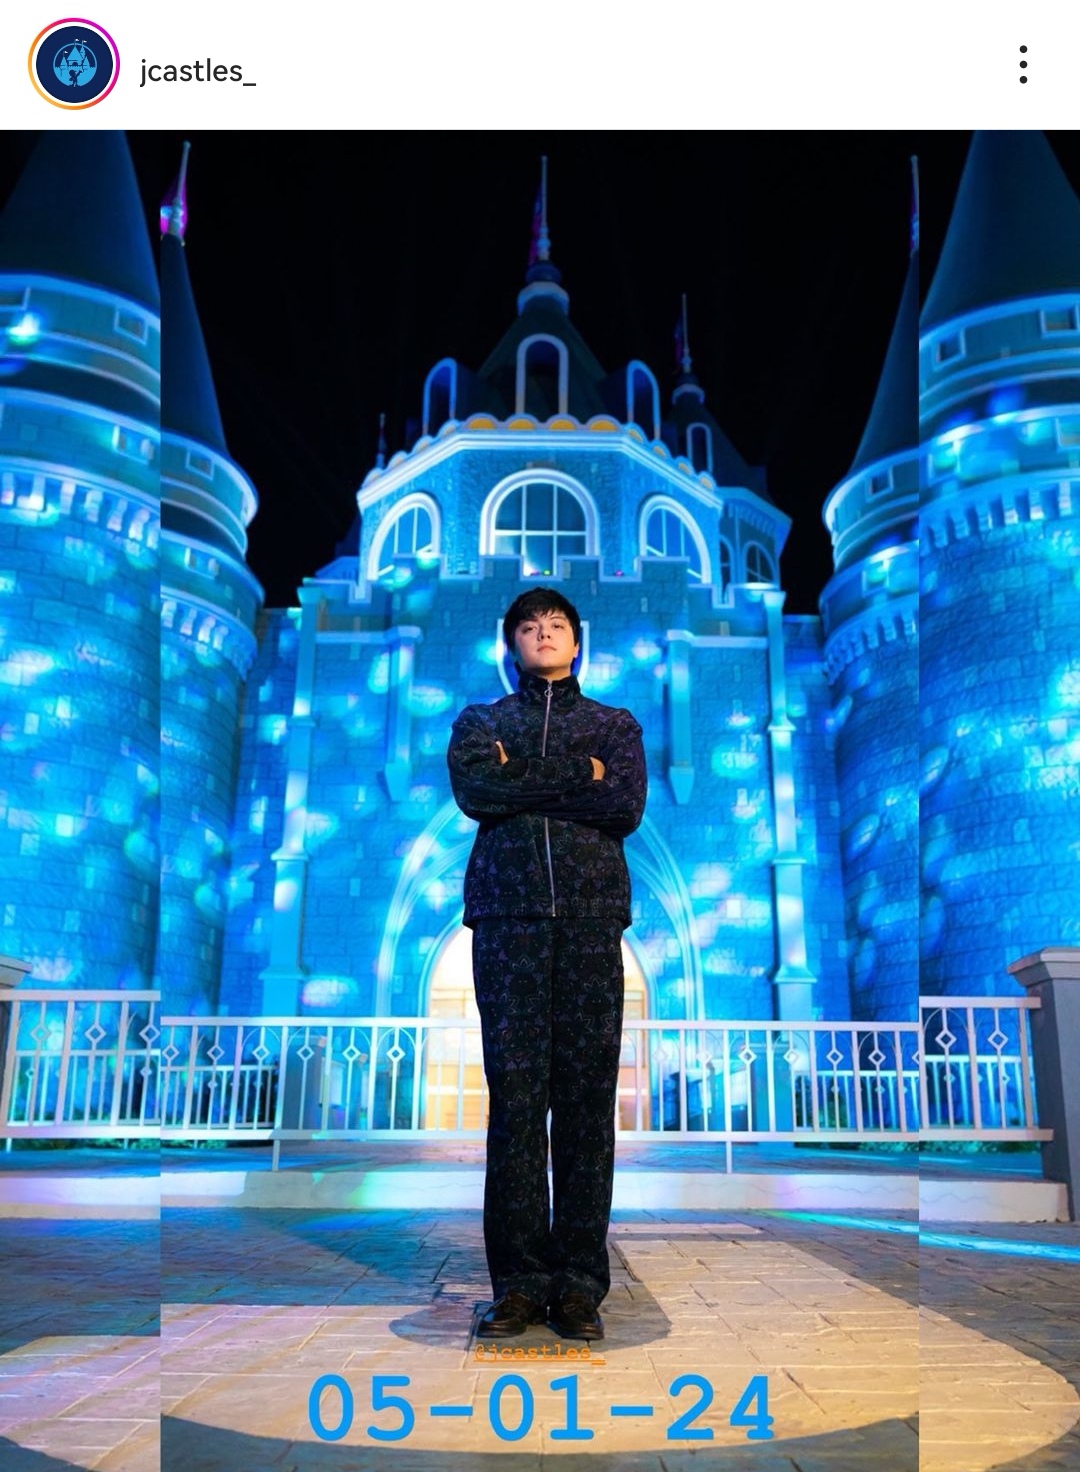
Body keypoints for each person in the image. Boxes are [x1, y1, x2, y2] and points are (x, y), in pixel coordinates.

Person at [447, 588, 647, 1341]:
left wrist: (524, 780)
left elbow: (623, 806)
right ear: (511, 645)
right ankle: (521, 1285)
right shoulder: (481, 722)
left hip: (592, 920)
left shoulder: (615, 726)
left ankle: (579, 1286)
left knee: (588, 1104)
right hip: (508, 919)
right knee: (518, 1102)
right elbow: (477, 791)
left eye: (556, 625)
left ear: (577, 640)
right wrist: (578, 776)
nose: (543, 635)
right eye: (528, 628)